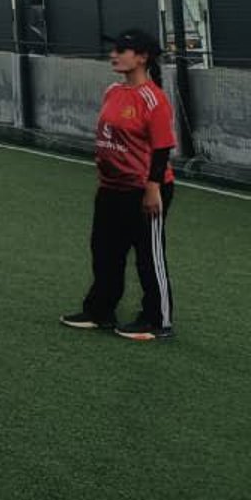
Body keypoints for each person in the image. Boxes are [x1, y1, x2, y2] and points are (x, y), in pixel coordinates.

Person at [61, 29, 177, 341]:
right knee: (104, 251)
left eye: (122, 51)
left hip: (145, 190)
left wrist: (153, 187)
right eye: (113, 50)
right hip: (111, 188)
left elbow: (163, 146)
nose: (114, 55)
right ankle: (100, 311)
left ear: (142, 57)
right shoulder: (113, 91)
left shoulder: (153, 99)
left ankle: (158, 320)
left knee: (148, 256)